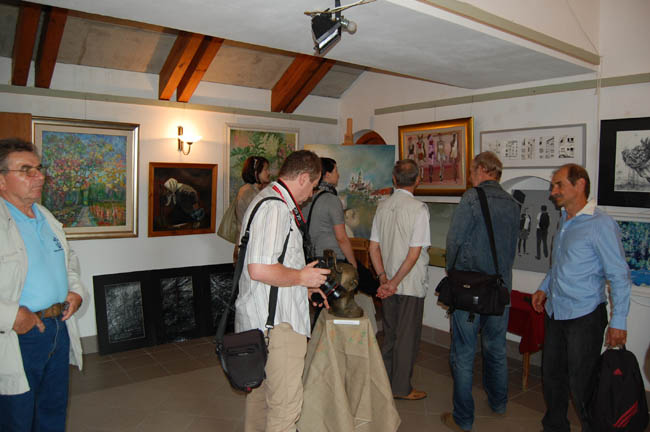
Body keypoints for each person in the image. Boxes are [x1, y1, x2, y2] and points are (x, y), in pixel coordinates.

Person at [235, 150, 330, 432]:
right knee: (285, 408)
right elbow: (259, 269)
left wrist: (305, 286)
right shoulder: (275, 208)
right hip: (277, 327)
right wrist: (301, 276)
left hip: (263, 320)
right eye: (313, 186)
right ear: (303, 178)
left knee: (260, 401)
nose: (311, 194)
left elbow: (273, 262)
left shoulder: (265, 200)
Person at [531, 164, 631, 432]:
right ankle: (555, 426)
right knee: (552, 377)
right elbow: (559, 264)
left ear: (580, 185)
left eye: (559, 185)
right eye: (553, 185)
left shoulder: (601, 224)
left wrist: (619, 320)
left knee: (583, 384)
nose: (553, 191)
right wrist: (544, 287)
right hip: (556, 312)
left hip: (584, 317)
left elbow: (619, 275)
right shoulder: (564, 219)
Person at [0, 138, 86, 431]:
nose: (39, 176)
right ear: (1, 180)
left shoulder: (45, 217)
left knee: (52, 411)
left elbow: (67, 261)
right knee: (16, 416)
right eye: (26, 170)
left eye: (39, 168)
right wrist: (11, 316)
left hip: (57, 328)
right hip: (19, 334)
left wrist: (76, 291)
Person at [441, 151, 520, 432]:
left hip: (470, 289)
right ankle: (499, 403)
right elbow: (511, 249)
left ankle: (463, 418)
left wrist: (452, 272)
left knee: (463, 353)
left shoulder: (472, 198)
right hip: (500, 289)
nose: (470, 176)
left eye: (472, 171)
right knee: (496, 348)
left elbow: (454, 240)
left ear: (482, 170)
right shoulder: (513, 203)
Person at [368, 159, 431, 401]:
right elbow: (414, 254)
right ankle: (401, 388)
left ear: (394, 180)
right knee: (407, 338)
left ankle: (385, 383)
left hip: (387, 284)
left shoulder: (383, 206)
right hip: (409, 284)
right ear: (418, 180)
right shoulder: (419, 209)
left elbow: (374, 248)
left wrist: (384, 279)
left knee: (390, 334)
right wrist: (393, 283)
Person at [302, 157, 377, 332]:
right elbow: (342, 237)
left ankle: (319, 342)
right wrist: (353, 264)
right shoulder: (332, 200)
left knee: (323, 306)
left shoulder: (307, 198)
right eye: (336, 170)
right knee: (366, 285)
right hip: (333, 260)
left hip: (313, 260)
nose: (338, 174)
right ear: (326, 174)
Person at [232, 155, 270, 260]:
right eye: (265, 169)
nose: (268, 173)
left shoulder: (252, 190)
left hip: (249, 243)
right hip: (249, 245)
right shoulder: (248, 192)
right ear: (256, 172)